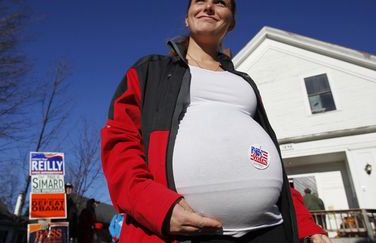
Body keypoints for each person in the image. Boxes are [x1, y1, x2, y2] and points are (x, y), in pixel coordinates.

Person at [101, 1, 331, 242]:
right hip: (182, 233)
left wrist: (305, 224)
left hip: (270, 229)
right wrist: (156, 207)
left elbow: (274, 161)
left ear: (231, 22)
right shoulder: (150, 71)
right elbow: (119, 143)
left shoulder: (245, 83)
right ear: (186, 18)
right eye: (200, 0)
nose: (208, 6)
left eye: (220, 2)